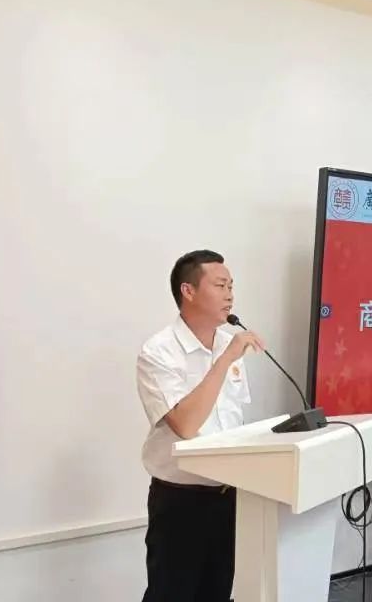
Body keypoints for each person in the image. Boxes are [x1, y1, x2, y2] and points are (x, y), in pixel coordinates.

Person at [137, 249, 264, 602]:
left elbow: (234, 421)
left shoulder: (228, 344)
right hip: (180, 501)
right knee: (171, 594)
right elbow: (186, 424)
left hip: (228, 497)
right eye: (220, 285)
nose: (230, 295)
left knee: (218, 592)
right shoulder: (159, 351)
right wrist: (225, 360)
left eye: (231, 286)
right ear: (188, 291)